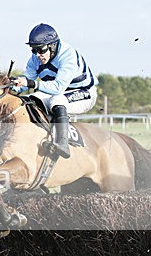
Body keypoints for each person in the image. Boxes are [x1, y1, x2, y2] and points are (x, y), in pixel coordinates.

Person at [10, 23, 98, 158]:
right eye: (34, 50)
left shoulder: (68, 56)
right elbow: (26, 81)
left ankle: (62, 144)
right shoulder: (35, 59)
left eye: (40, 50)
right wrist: (12, 85)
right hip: (59, 92)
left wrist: (31, 83)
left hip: (84, 93)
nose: (37, 54)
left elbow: (58, 88)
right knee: (32, 99)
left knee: (57, 100)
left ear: (52, 46)